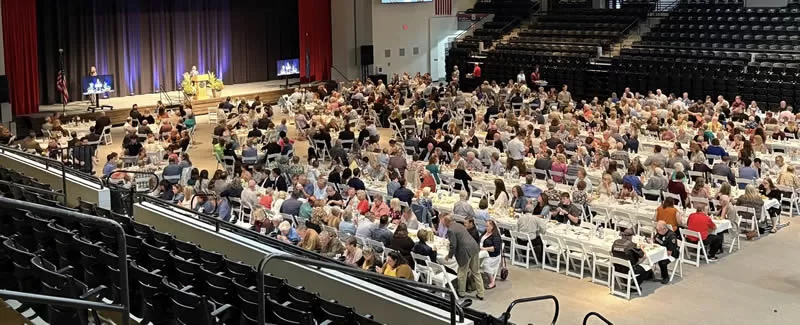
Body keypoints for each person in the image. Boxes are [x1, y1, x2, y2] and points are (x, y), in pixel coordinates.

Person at [443, 213, 484, 300]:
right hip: (474, 248)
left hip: (464, 252)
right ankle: (481, 293)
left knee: (462, 272)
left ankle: (461, 293)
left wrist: (449, 255)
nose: (442, 224)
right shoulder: (459, 225)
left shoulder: (450, 230)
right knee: (476, 272)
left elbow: (453, 245)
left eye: (443, 222)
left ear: (447, 222)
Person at [479, 220, 502, 289]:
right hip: (482, 251)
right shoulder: (485, 233)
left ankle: (492, 282)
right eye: (486, 226)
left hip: (492, 255)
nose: (486, 228)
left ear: (492, 227)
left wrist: (484, 248)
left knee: (486, 263)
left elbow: (495, 248)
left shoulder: (496, 236)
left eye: (487, 226)